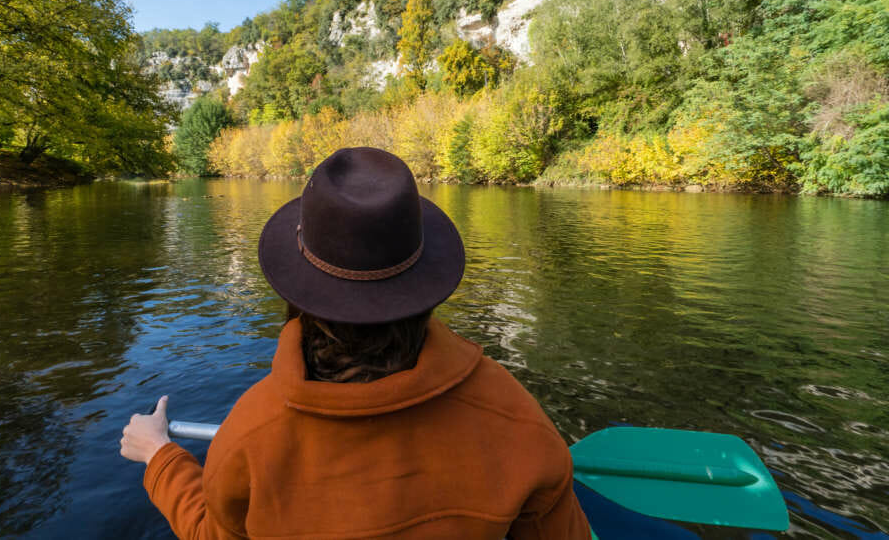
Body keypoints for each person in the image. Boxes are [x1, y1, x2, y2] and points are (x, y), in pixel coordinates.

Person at [120, 147, 592, 539]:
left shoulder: (249, 435)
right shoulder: (515, 418)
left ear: (299, 290)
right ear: (423, 280)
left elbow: (210, 532)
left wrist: (159, 456)